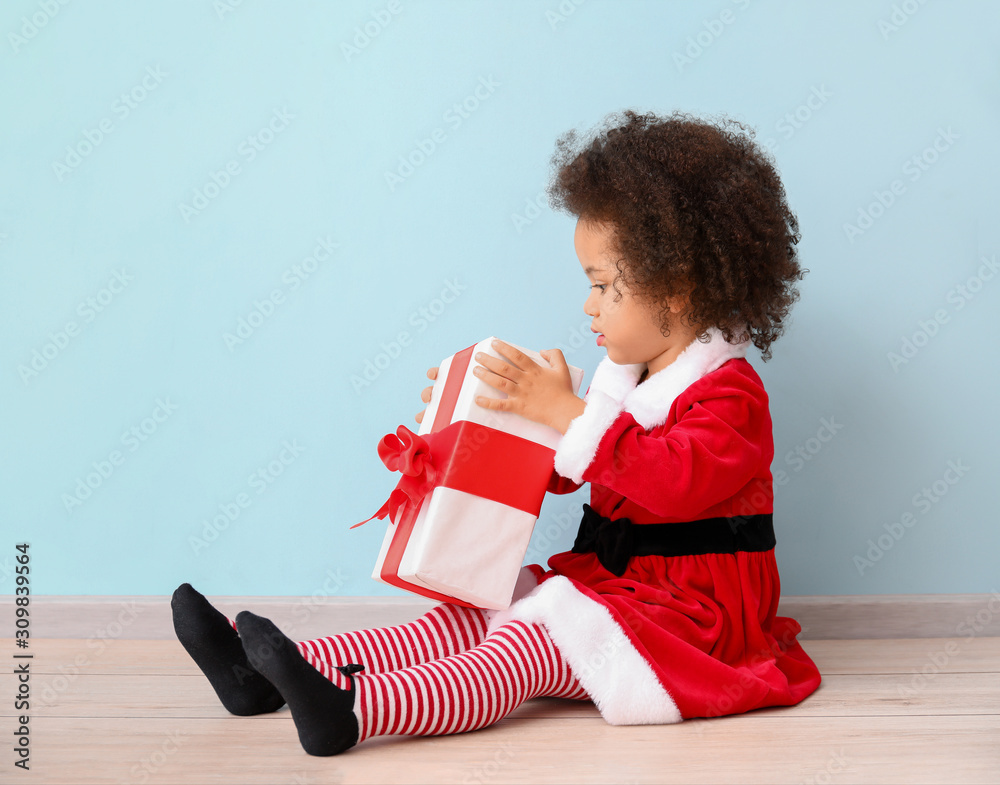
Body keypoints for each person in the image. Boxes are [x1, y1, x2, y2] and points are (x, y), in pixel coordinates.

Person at [171, 109, 821, 756]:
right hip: (616, 583)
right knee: (469, 615)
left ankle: (356, 708)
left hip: (693, 619)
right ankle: (258, 673)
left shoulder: (730, 394)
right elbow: (570, 471)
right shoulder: (624, 376)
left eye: (602, 287)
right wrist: (488, 417)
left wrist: (565, 412)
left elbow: (672, 480)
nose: (588, 305)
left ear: (676, 291)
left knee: (527, 643)